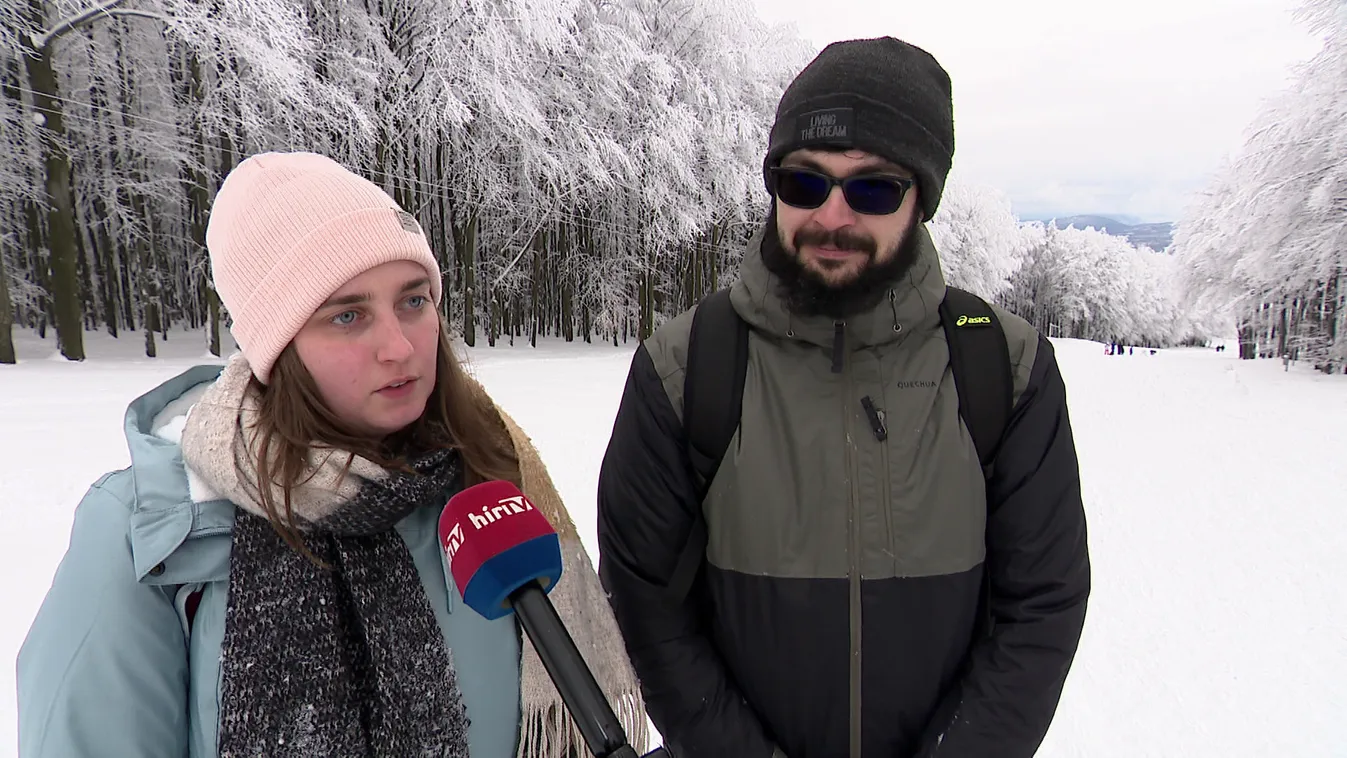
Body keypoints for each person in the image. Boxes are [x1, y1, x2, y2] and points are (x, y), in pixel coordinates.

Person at [17, 152, 648, 758]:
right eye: (347, 316)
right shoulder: (147, 534)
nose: (399, 347)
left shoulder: (486, 475)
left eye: (413, 300)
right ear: (279, 347)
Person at [595, 37, 1090, 758]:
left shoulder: (1003, 367)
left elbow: (1041, 605)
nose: (831, 215)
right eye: (803, 183)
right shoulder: (684, 367)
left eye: (871, 189)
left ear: (919, 199)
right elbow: (647, 610)